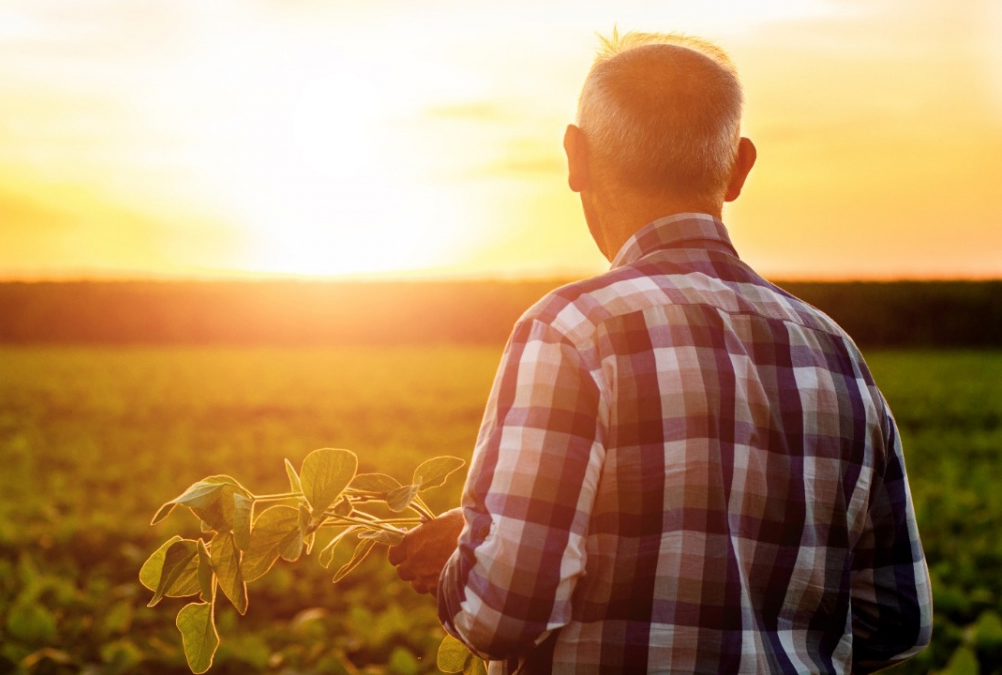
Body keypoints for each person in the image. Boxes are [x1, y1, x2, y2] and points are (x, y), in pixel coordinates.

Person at [388, 31, 932, 674]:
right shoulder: (835, 352)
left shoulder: (571, 329)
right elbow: (897, 616)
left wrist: (466, 563)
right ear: (739, 168)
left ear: (576, 157)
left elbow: (506, 609)